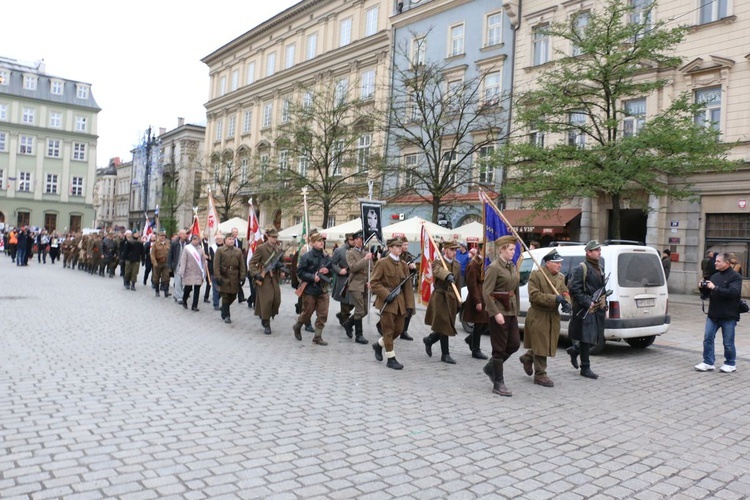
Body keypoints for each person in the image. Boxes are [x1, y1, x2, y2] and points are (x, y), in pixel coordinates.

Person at [519, 250, 572, 388]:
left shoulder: (560, 277)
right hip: (539, 314)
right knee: (541, 343)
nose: (560, 265)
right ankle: (540, 375)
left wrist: (567, 302)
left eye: (560, 263)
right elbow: (534, 296)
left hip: (553, 315)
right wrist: (555, 298)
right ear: (548, 263)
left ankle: (527, 357)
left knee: (547, 343)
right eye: (556, 263)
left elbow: (565, 291)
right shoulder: (536, 276)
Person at [482, 235, 521, 396]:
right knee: (499, 348)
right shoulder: (494, 267)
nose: (513, 252)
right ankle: (498, 382)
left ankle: (491, 367)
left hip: (510, 310)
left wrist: (516, 310)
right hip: (499, 310)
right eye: (511, 249)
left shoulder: (511, 266)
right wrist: (495, 312)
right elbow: (486, 292)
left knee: (514, 344)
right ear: (502, 249)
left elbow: (515, 289)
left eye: (514, 249)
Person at [370, 237, 415, 369]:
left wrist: (410, 305)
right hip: (387, 302)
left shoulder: (403, 265)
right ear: (390, 248)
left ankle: (378, 345)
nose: (399, 248)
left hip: (400, 302)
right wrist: (385, 294)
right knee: (388, 330)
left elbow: (407, 286)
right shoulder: (382, 263)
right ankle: (391, 358)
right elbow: (374, 282)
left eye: (400, 246)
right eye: (396, 246)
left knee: (399, 329)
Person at [695, 252, 742, 373]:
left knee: (728, 342)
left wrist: (714, 288)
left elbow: (733, 293)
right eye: (715, 261)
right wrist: (702, 288)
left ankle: (730, 363)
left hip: (728, 315)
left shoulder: (735, 277)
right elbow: (708, 294)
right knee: (708, 338)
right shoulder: (714, 276)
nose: (715, 263)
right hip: (713, 314)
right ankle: (708, 362)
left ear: (726, 263)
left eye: (718, 261)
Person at [567, 240, 606, 380]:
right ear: (588, 252)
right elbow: (574, 290)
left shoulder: (600, 267)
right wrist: (587, 302)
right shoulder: (581, 268)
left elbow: (602, 288)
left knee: (594, 336)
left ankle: (574, 350)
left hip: (597, 308)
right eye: (596, 250)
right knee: (586, 336)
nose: (599, 252)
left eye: (599, 250)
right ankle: (585, 367)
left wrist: (603, 302)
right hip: (585, 309)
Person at [424, 241, 462, 364]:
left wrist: (459, 300)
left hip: (451, 297)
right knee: (445, 324)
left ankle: (429, 339)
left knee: (444, 325)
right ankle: (445, 354)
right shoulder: (438, 262)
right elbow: (437, 270)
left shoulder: (457, 264)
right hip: (440, 297)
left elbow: (459, 284)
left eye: (455, 250)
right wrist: (447, 275)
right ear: (445, 250)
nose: (454, 252)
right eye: (451, 250)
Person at [292, 232, 332, 345]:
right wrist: (312, 277)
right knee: (307, 313)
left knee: (323, 314)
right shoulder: (306, 256)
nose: (321, 243)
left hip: (323, 289)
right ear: (312, 243)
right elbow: (300, 272)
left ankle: (317, 337)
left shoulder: (325, 256)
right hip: (310, 289)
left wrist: (327, 271)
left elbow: (331, 269)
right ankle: (298, 325)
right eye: (319, 241)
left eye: (322, 241)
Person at [248, 228, 285, 334]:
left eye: (276, 237)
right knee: (267, 301)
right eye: (273, 237)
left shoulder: (278, 249)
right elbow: (252, 263)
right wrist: (256, 274)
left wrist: (282, 269)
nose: (274, 239)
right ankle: (266, 322)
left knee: (276, 299)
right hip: (265, 278)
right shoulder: (261, 248)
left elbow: (281, 262)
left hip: (274, 278)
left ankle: (267, 315)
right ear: (268, 237)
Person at [344, 230, 372, 345]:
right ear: (355, 241)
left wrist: (371, 280)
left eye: (363, 239)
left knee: (365, 311)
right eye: (360, 239)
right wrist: (365, 259)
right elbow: (353, 268)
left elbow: (372, 268)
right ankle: (359, 335)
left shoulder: (366, 252)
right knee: (360, 309)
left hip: (365, 284)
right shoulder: (350, 253)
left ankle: (348, 323)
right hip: (355, 284)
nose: (362, 241)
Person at [213, 233, 246, 324]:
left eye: (232, 239)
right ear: (225, 241)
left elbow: (242, 265)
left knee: (233, 295)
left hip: (235, 276)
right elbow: (216, 264)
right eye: (229, 239)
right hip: (224, 276)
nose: (231, 241)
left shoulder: (238, 251)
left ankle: (223, 308)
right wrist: (218, 276)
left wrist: (243, 276)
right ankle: (227, 315)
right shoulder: (220, 250)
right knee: (225, 296)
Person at [462, 247, 489, 360]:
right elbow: (471, 284)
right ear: (480, 250)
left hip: (485, 295)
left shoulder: (487, 263)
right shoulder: (473, 264)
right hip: (477, 295)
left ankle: (470, 339)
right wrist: (477, 301)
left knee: (486, 323)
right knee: (479, 323)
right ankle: (475, 349)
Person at [179, 234, 209, 311]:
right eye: (194, 239)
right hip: (189, 271)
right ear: (191, 240)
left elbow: (203, 261)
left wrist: (204, 272)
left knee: (197, 289)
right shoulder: (187, 248)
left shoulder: (201, 249)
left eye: (197, 239)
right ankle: (184, 300)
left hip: (198, 271)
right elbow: (183, 260)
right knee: (188, 288)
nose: (196, 241)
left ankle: (194, 306)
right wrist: (182, 271)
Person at [331, 233, 355, 328]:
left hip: (354, 279)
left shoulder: (358, 250)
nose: (354, 241)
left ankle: (342, 314)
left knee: (353, 302)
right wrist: (339, 270)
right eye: (352, 240)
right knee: (345, 300)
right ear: (347, 240)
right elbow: (333, 263)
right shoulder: (339, 250)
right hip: (343, 278)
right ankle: (346, 322)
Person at [169, 229, 188, 304]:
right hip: (177, 264)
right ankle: (179, 297)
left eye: (185, 234)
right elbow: (170, 255)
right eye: (183, 234)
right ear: (179, 235)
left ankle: (177, 294)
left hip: (186, 265)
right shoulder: (174, 243)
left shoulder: (188, 243)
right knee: (178, 281)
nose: (185, 235)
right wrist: (170, 265)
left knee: (183, 281)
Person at [150, 230, 172, 297]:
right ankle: (157, 291)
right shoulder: (155, 244)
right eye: (161, 236)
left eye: (164, 236)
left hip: (166, 263)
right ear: (158, 236)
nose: (163, 237)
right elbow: (152, 254)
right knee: (156, 277)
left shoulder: (168, 243)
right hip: (158, 262)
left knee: (166, 277)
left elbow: (171, 253)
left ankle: (166, 291)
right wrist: (154, 262)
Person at [208, 234, 224, 310]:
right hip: (215, 270)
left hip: (224, 271)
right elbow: (213, 259)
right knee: (216, 288)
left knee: (222, 289)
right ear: (215, 240)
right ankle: (216, 304)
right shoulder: (212, 248)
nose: (219, 240)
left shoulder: (225, 247)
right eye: (218, 239)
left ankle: (216, 299)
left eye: (221, 238)